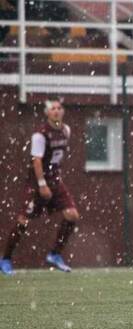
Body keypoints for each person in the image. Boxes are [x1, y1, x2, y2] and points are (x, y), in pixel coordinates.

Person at [0, 98, 79, 275]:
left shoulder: (66, 130)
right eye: (53, 109)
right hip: (37, 183)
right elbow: (36, 161)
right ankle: (5, 259)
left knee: (72, 215)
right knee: (23, 221)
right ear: (47, 113)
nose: (57, 111)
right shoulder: (40, 135)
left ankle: (55, 254)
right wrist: (42, 185)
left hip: (55, 180)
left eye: (59, 108)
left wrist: (53, 178)